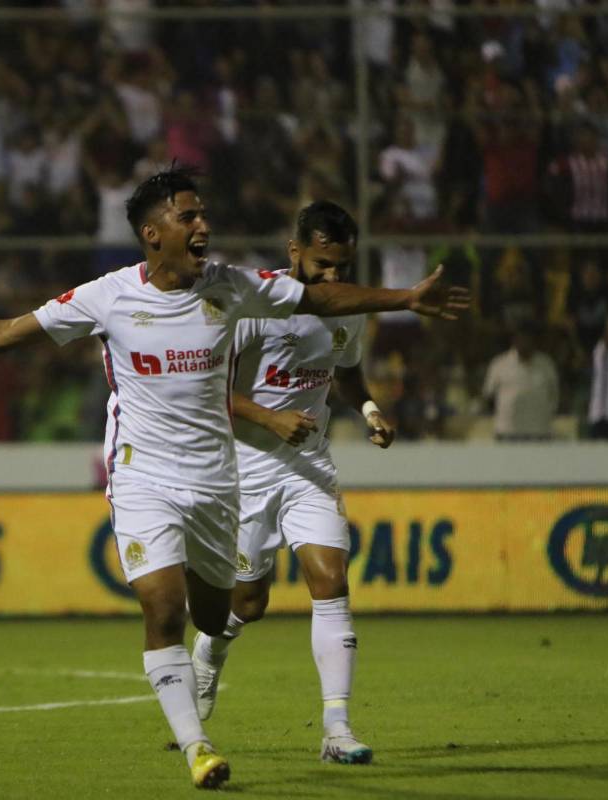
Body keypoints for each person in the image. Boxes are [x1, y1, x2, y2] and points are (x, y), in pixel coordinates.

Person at [0, 168, 469, 790]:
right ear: (152, 232)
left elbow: (321, 301)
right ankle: (199, 748)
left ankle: (211, 659)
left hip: (219, 483)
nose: (204, 226)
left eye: (202, 215)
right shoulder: (107, 296)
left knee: (224, 613)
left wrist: (405, 299)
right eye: (189, 216)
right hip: (144, 477)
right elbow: (7, 333)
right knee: (162, 608)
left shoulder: (230, 289)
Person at [189, 201, 390, 765]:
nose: (333, 278)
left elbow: (346, 372)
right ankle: (210, 647)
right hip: (245, 472)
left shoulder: (347, 310)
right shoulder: (252, 306)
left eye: (343, 267)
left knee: (331, 582)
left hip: (309, 467)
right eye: (323, 265)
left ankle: (337, 728)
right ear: (294, 251)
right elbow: (206, 392)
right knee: (249, 602)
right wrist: (270, 417)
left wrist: (370, 409)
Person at [482, 320, 560, 441]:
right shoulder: (499, 364)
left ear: (534, 340)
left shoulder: (546, 364)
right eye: (521, 337)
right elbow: (489, 397)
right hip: (508, 433)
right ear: (514, 340)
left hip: (540, 433)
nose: (524, 342)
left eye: (528, 338)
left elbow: (554, 395)